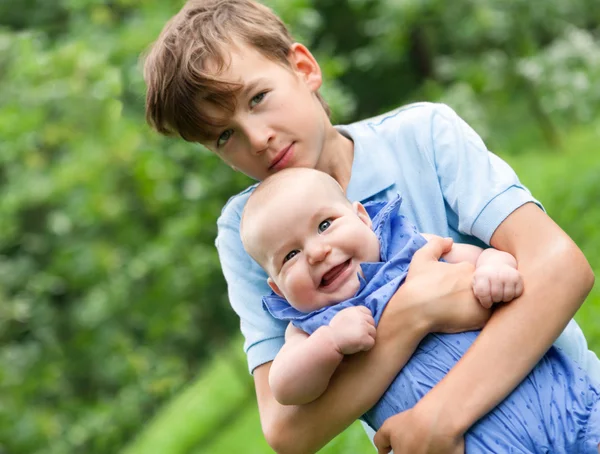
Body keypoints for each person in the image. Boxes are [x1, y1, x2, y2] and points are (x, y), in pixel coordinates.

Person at [142, 1, 600, 452]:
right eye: (225, 136)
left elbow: (560, 270)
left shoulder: (421, 135)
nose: (258, 139)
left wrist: (441, 415)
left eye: (258, 99)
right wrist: (414, 314)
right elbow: (287, 429)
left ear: (302, 68)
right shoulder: (248, 233)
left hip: (574, 410)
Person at [240, 167, 600, 453]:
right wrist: (329, 343)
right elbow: (286, 388)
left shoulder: (414, 249)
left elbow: (480, 257)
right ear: (277, 289)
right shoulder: (307, 328)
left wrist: (493, 267)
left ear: (363, 219)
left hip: (559, 402)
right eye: (290, 256)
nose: (317, 252)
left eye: (324, 225)